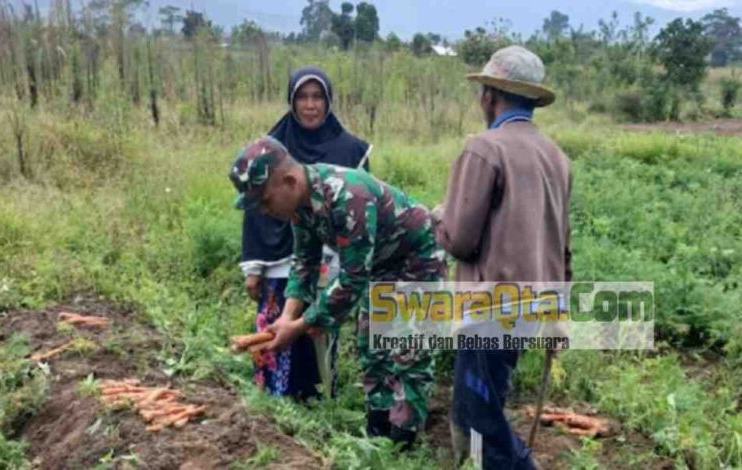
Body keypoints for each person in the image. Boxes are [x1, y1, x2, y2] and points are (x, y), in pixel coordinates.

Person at [229, 137, 446, 447]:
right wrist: (287, 317)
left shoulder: (347, 196)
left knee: (408, 352)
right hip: (380, 265)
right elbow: (304, 262)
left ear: (289, 181)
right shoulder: (300, 206)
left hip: (419, 259)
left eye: (264, 201)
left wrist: (302, 326)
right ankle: (378, 437)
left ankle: (403, 447)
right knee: (373, 348)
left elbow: (352, 278)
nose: (264, 211)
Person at [433, 45, 572, 469]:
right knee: (478, 403)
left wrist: (439, 218)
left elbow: (459, 240)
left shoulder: (485, 149)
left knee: (481, 415)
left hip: (489, 308)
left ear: (490, 95)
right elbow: (562, 244)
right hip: (532, 306)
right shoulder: (557, 158)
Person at [241, 67, 371, 399]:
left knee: (318, 333)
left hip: (334, 260)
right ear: (291, 101)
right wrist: (254, 267)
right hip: (281, 260)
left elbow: (358, 232)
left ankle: (319, 400)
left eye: (317, 97)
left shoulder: (352, 152)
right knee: (276, 330)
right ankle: (275, 402)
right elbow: (255, 210)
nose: (310, 105)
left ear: (328, 102)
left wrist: (298, 322)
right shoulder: (271, 147)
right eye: (302, 97)